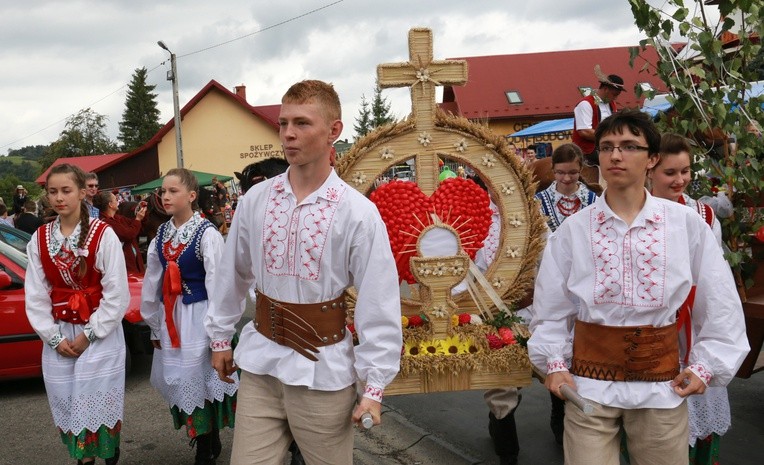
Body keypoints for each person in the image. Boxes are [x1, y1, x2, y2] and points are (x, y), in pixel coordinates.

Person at [528, 109, 749, 465]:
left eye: (629, 146)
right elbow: (552, 309)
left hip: (661, 389)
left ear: (652, 158)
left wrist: (707, 365)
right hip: (589, 388)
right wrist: (553, 363)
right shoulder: (572, 231)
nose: (615, 155)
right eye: (606, 147)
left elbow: (718, 300)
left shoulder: (686, 225)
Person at [204, 80, 402, 465]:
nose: (288, 134)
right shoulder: (256, 200)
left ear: (334, 131)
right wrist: (220, 339)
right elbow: (233, 274)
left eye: (302, 123)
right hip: (261, 365)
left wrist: (374, 386)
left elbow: (379, 301)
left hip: (322, 372)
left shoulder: (357, 212)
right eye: (283, 123)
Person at [24, 163, 128, 465]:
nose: (59, 198)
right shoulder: (40, 238)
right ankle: (84, 460)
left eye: (66, 190)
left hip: (98, 336)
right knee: (70, 405)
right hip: (60, 333)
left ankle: (109, 455)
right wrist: (53, 338)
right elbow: (35, 294)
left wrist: (89, 334)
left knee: (99, 405)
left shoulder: (102, 234)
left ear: (83, 193)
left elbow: (116, 293)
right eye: (52, 191)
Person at [140, 168, 237, 465]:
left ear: (192, 196)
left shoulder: (206, 233)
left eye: (173, 191)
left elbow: (219, 284)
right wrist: (155, 324)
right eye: (163, 192)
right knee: (184, 380)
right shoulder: (162, 234)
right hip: (173, 316)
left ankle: (207, 445)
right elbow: (151, 281)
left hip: (200, 315)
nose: (165, 196)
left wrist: (219, 333)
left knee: (203, 378)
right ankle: (204, 437)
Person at [642, 133, 728, 465]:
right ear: (651, 169)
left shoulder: (704, 215)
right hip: (653, 323)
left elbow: (714, 276)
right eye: (671, 173)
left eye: (686, 171)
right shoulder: (637, 212)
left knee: (701, 411)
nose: (680, 180)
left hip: (694, 322)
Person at [533, 143, 598, 444]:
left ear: (582, 169)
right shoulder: (539, 202)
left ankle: (586, 416)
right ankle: (559, 414)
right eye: (560, 173)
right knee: (557, 347)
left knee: (587, 352)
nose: (567, 179)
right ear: (553, 171)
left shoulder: (594, 201)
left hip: (588, 284)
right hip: (555, 282)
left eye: (573, 173)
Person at [572, 66, 625, 166]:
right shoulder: (585, 104)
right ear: (605, 89)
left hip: (606, 146)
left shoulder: (612, 104)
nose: (616, 98)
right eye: (614, 94)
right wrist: (610, 137)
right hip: (586, 150)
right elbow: (584, 131)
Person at [92, 191, 147, 274]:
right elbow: (129, 234)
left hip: (135, 262)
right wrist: (138, 219)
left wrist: (140, 212)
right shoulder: (106, 222)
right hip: (126, 266)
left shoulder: (118, 218)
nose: (118, 201)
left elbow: (136, 226)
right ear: (110, 204)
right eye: (115, 199)